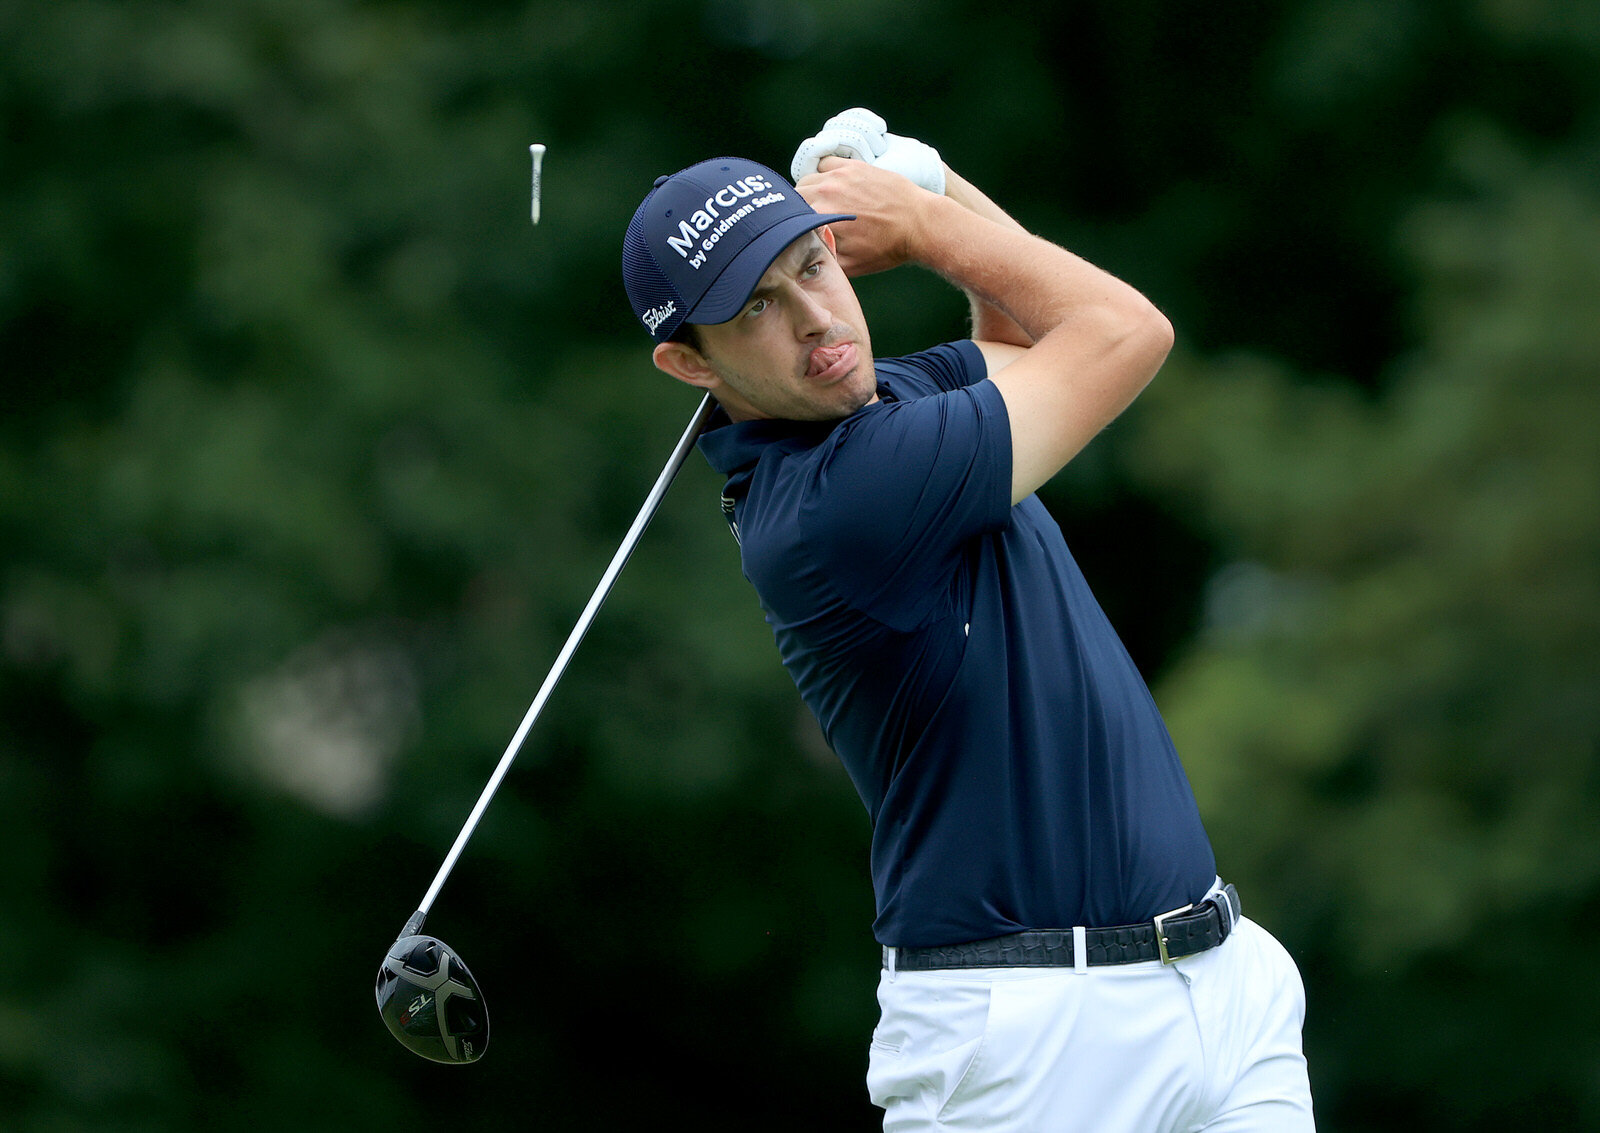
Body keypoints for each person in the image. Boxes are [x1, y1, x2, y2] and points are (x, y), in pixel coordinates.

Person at [621, 109, 1315, 1132]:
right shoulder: (837, 504)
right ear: (691, 365)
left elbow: (1025, 327)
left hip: (1219, 979)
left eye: (815, 265)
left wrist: (931, 186)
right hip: (1029, 1038)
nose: (815, 317)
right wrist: (924, 225)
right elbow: (1124, 330)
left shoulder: (884, 411)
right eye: (758, 307)